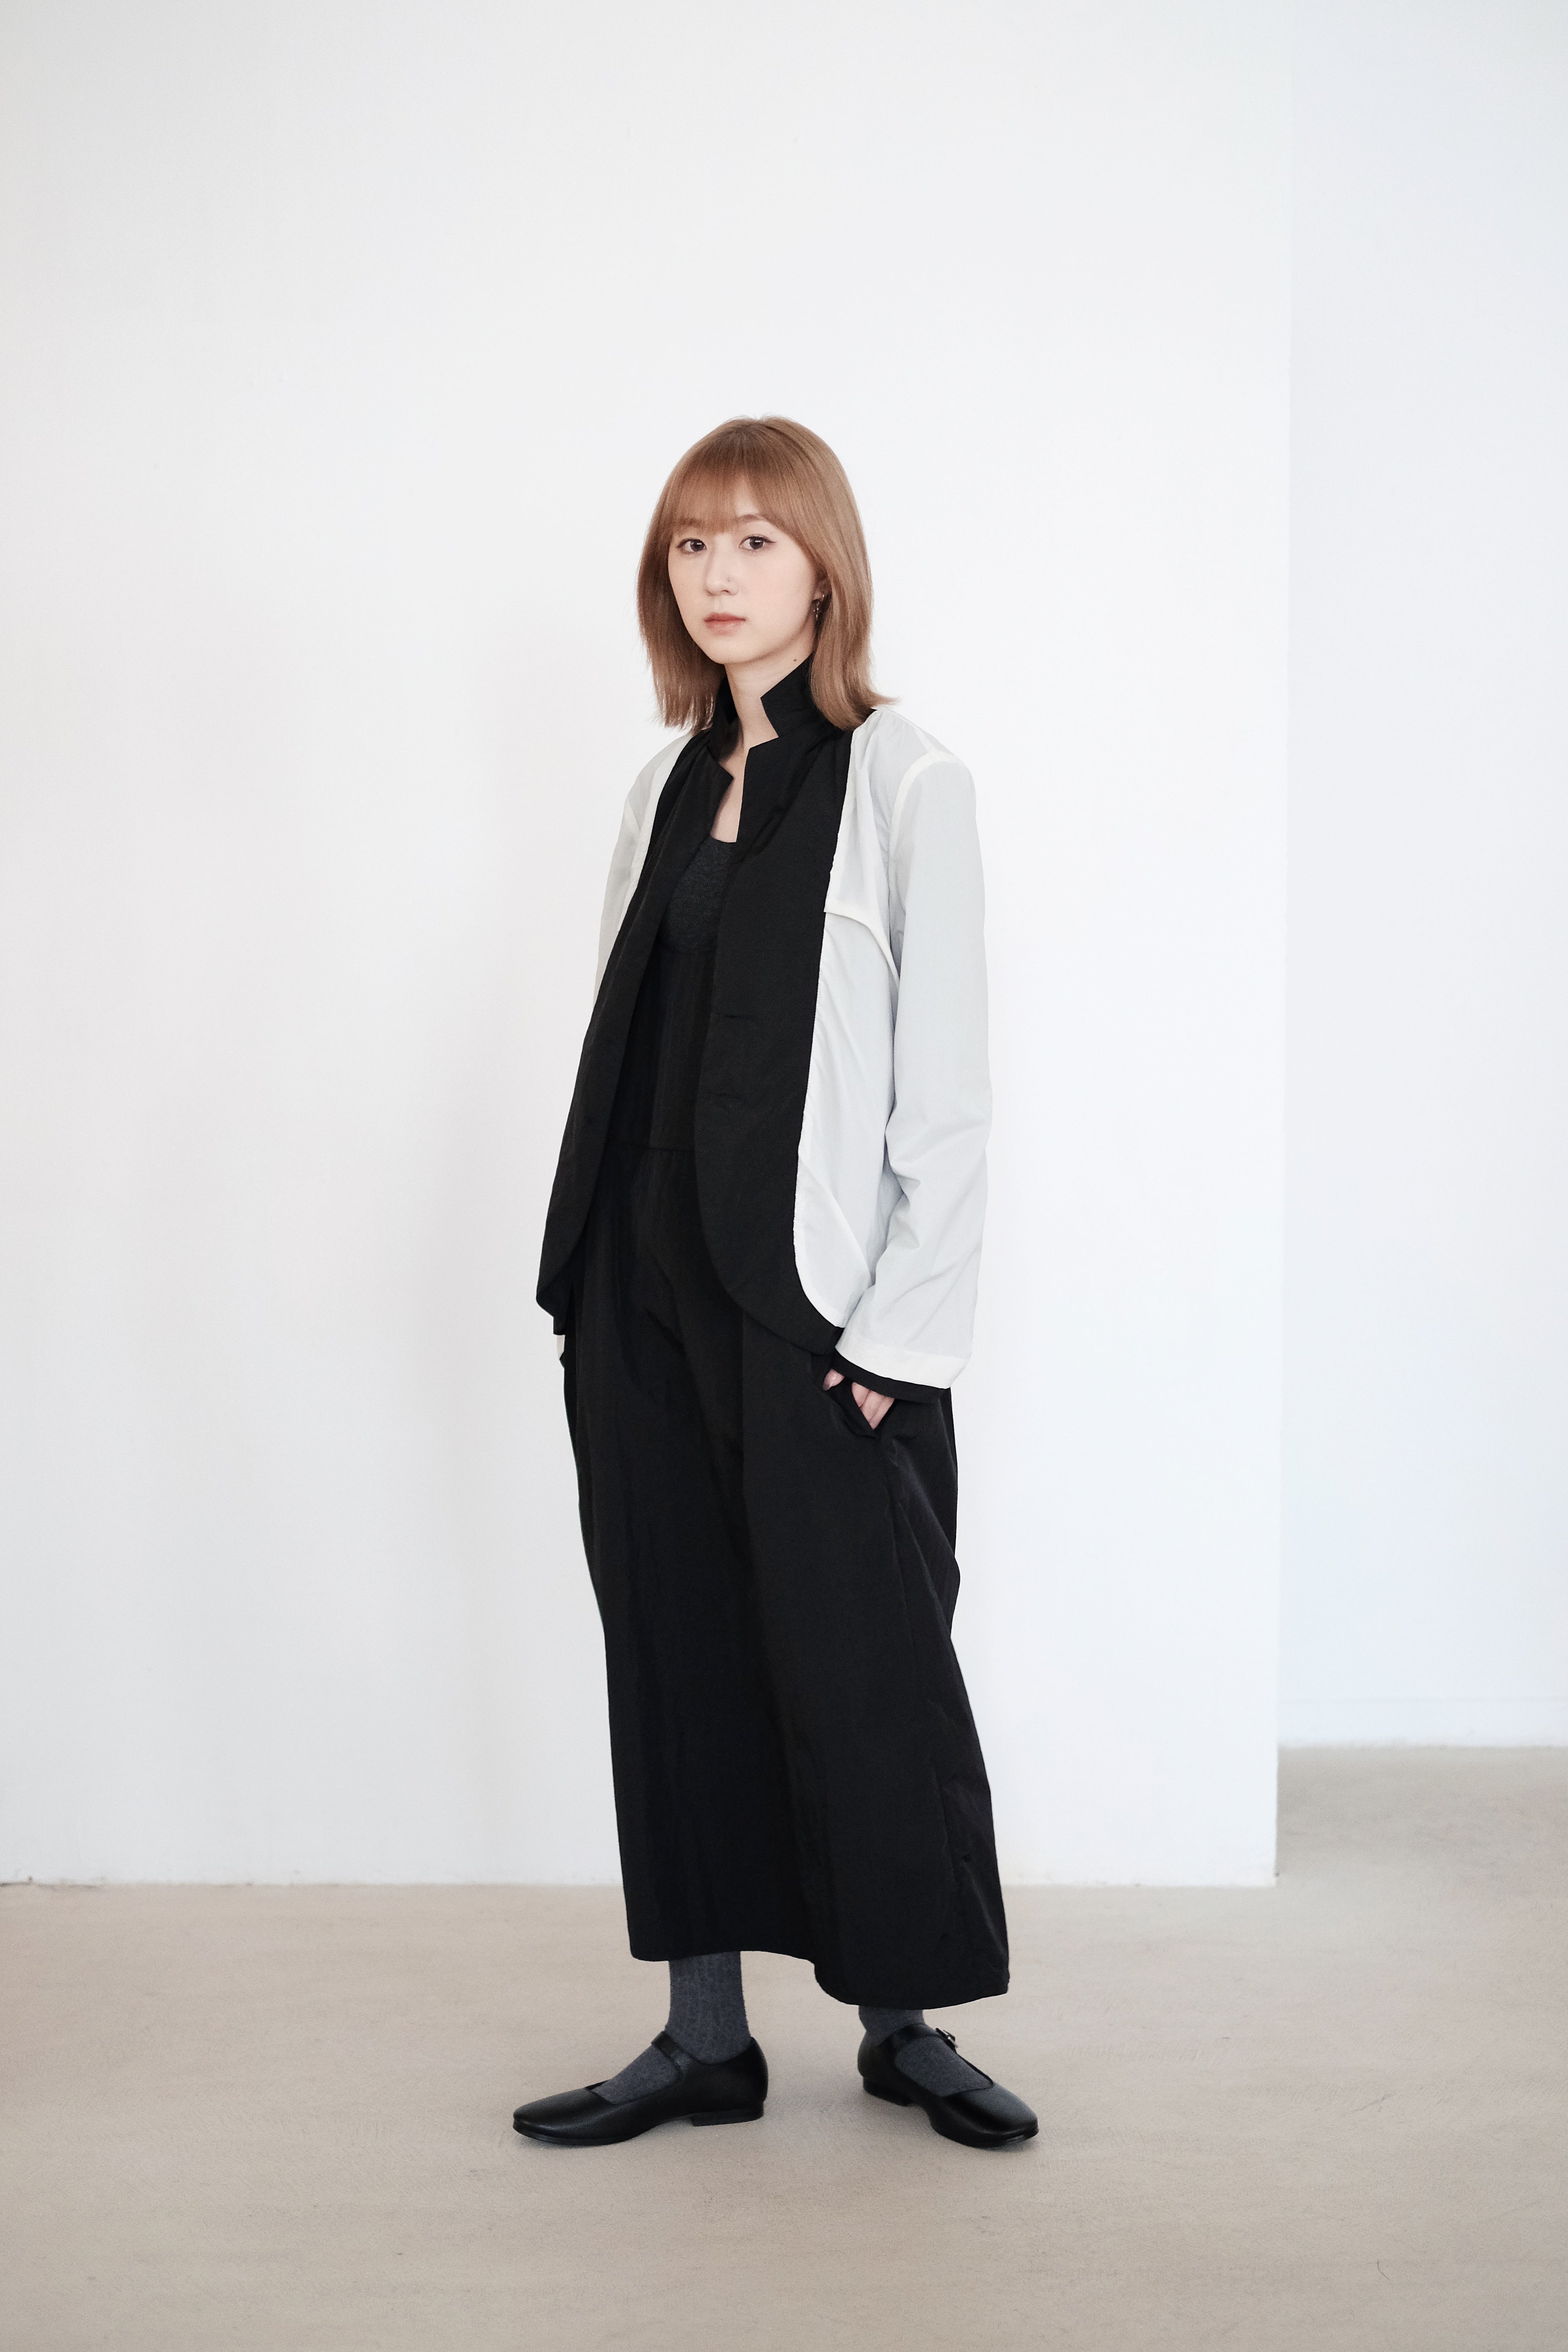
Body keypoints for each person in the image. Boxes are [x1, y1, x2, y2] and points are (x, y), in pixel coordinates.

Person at [513, 416, 1036, 2153]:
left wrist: (899, 1340)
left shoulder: (906, 783)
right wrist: (585, 1282)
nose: (718, 575)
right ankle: (705, 2040)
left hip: (815, 1320)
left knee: (862, 1664)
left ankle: (906, 2026)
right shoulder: (663, 788)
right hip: (639, 1295)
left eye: (752, 540)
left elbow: (946, 1097)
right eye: (690, 545)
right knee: (676, 1657)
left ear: (824, 567)